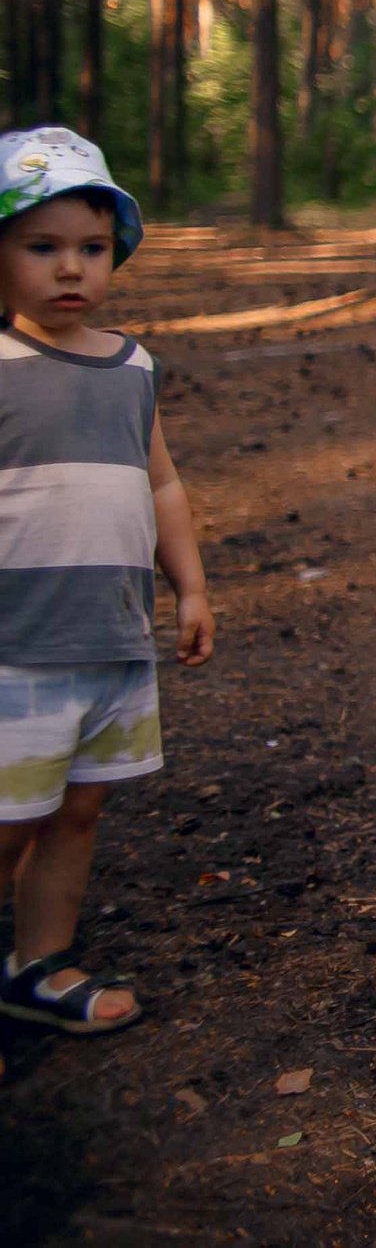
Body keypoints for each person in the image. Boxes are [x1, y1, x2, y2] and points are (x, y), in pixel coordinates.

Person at [0, 128, 211, 1041]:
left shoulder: (132, 366)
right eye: (41, 247)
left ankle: (36, 963)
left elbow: (160, 481)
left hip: (112, 639)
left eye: (90, 247)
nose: (69, 269)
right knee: (9, 819)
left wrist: (191, 588)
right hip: (17, 646)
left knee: (78, 811)